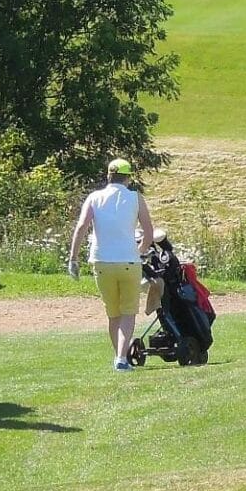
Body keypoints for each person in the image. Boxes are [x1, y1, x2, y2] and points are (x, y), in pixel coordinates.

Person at [67, 157, 154, 371]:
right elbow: (148, 232)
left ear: (109, 176)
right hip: (129, 261)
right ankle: (121, 359)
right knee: (128, 312)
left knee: (113, 313)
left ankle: (119, 356)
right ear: (128, 178)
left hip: (101, 261)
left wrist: (73, 258)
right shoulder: (135, 198)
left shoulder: (95, 197)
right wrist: (140, 251)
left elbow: (81, 227)